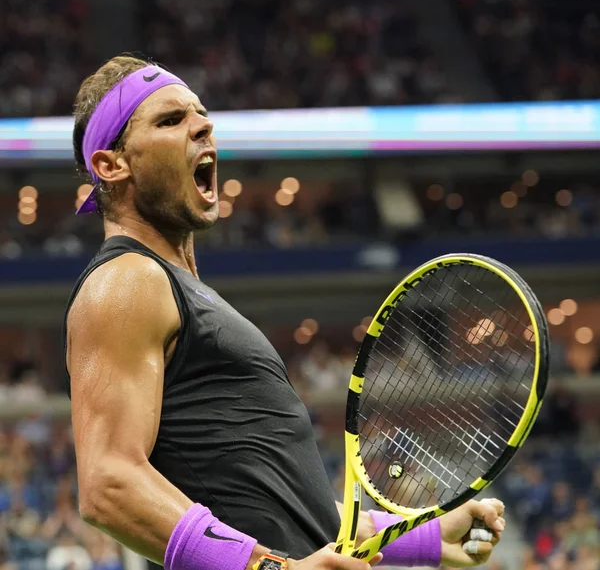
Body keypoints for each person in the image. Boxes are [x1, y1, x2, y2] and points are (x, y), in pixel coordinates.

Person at [64, 55, 506, 570]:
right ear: (111, 165)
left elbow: (296, 514)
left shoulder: (184, 293)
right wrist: (269, 568)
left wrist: (423, 535)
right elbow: (109, 483)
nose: (203, 125)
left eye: (200, 114)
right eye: (170, 120)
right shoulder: (124, 282)